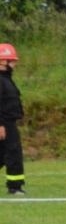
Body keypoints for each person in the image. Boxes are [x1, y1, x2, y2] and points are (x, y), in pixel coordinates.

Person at [0, 43, 22, 196]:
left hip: (9, 122)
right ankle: (14, 186)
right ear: (3, 62)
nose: (14, 64)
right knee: (13, 153)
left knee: (2, 155)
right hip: (4, 123)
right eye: (11, 60)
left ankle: (15, 185)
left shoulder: (6, 79)